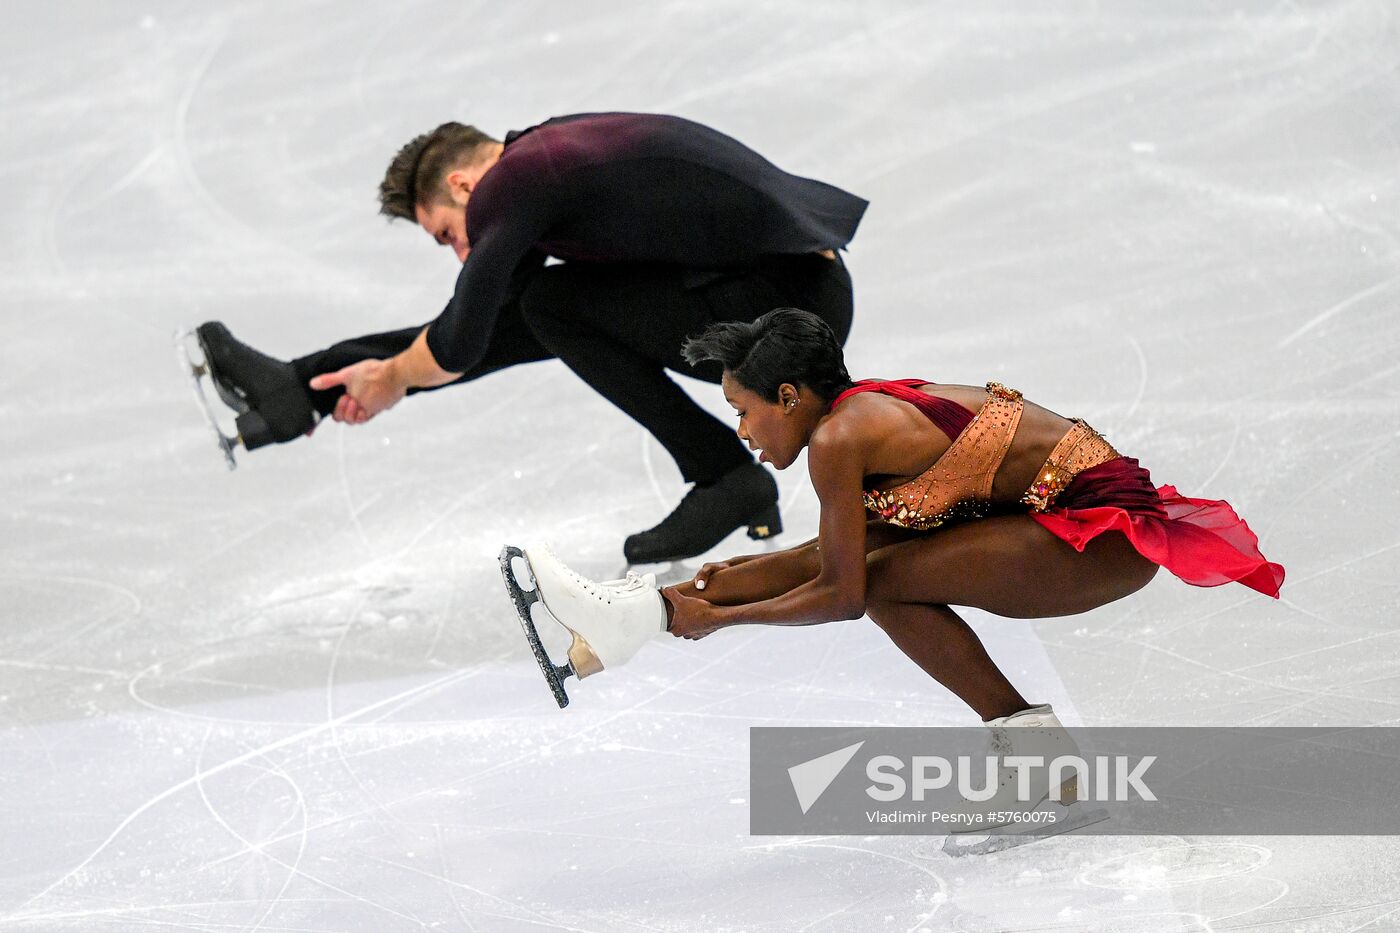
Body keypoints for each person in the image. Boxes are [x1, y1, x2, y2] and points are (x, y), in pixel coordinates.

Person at [504, 307, 1284, 818]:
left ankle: (1042, 763)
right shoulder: (853, 421)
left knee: (881, 582)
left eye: (742, 411)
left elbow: (844, 592)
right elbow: (822, 559)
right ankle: (629, 616)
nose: (741, 431)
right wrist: (691, 599)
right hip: (1055, 523)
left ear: (788, 395)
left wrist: (726, 618)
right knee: (873, 565)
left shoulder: (844, 439)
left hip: (1099, 538)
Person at [189, 113, 867, 564]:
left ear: (461, 184)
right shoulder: (544, 161)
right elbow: (487, 332)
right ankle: (295, 386)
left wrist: (394, 378)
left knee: (551, 303)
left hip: (785, 307)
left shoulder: (518, 181)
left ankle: (724, 474)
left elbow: (458, 341)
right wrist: (335, 380)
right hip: (780, 292)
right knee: (542, 309)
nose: (462, 252)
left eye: (448, 234)